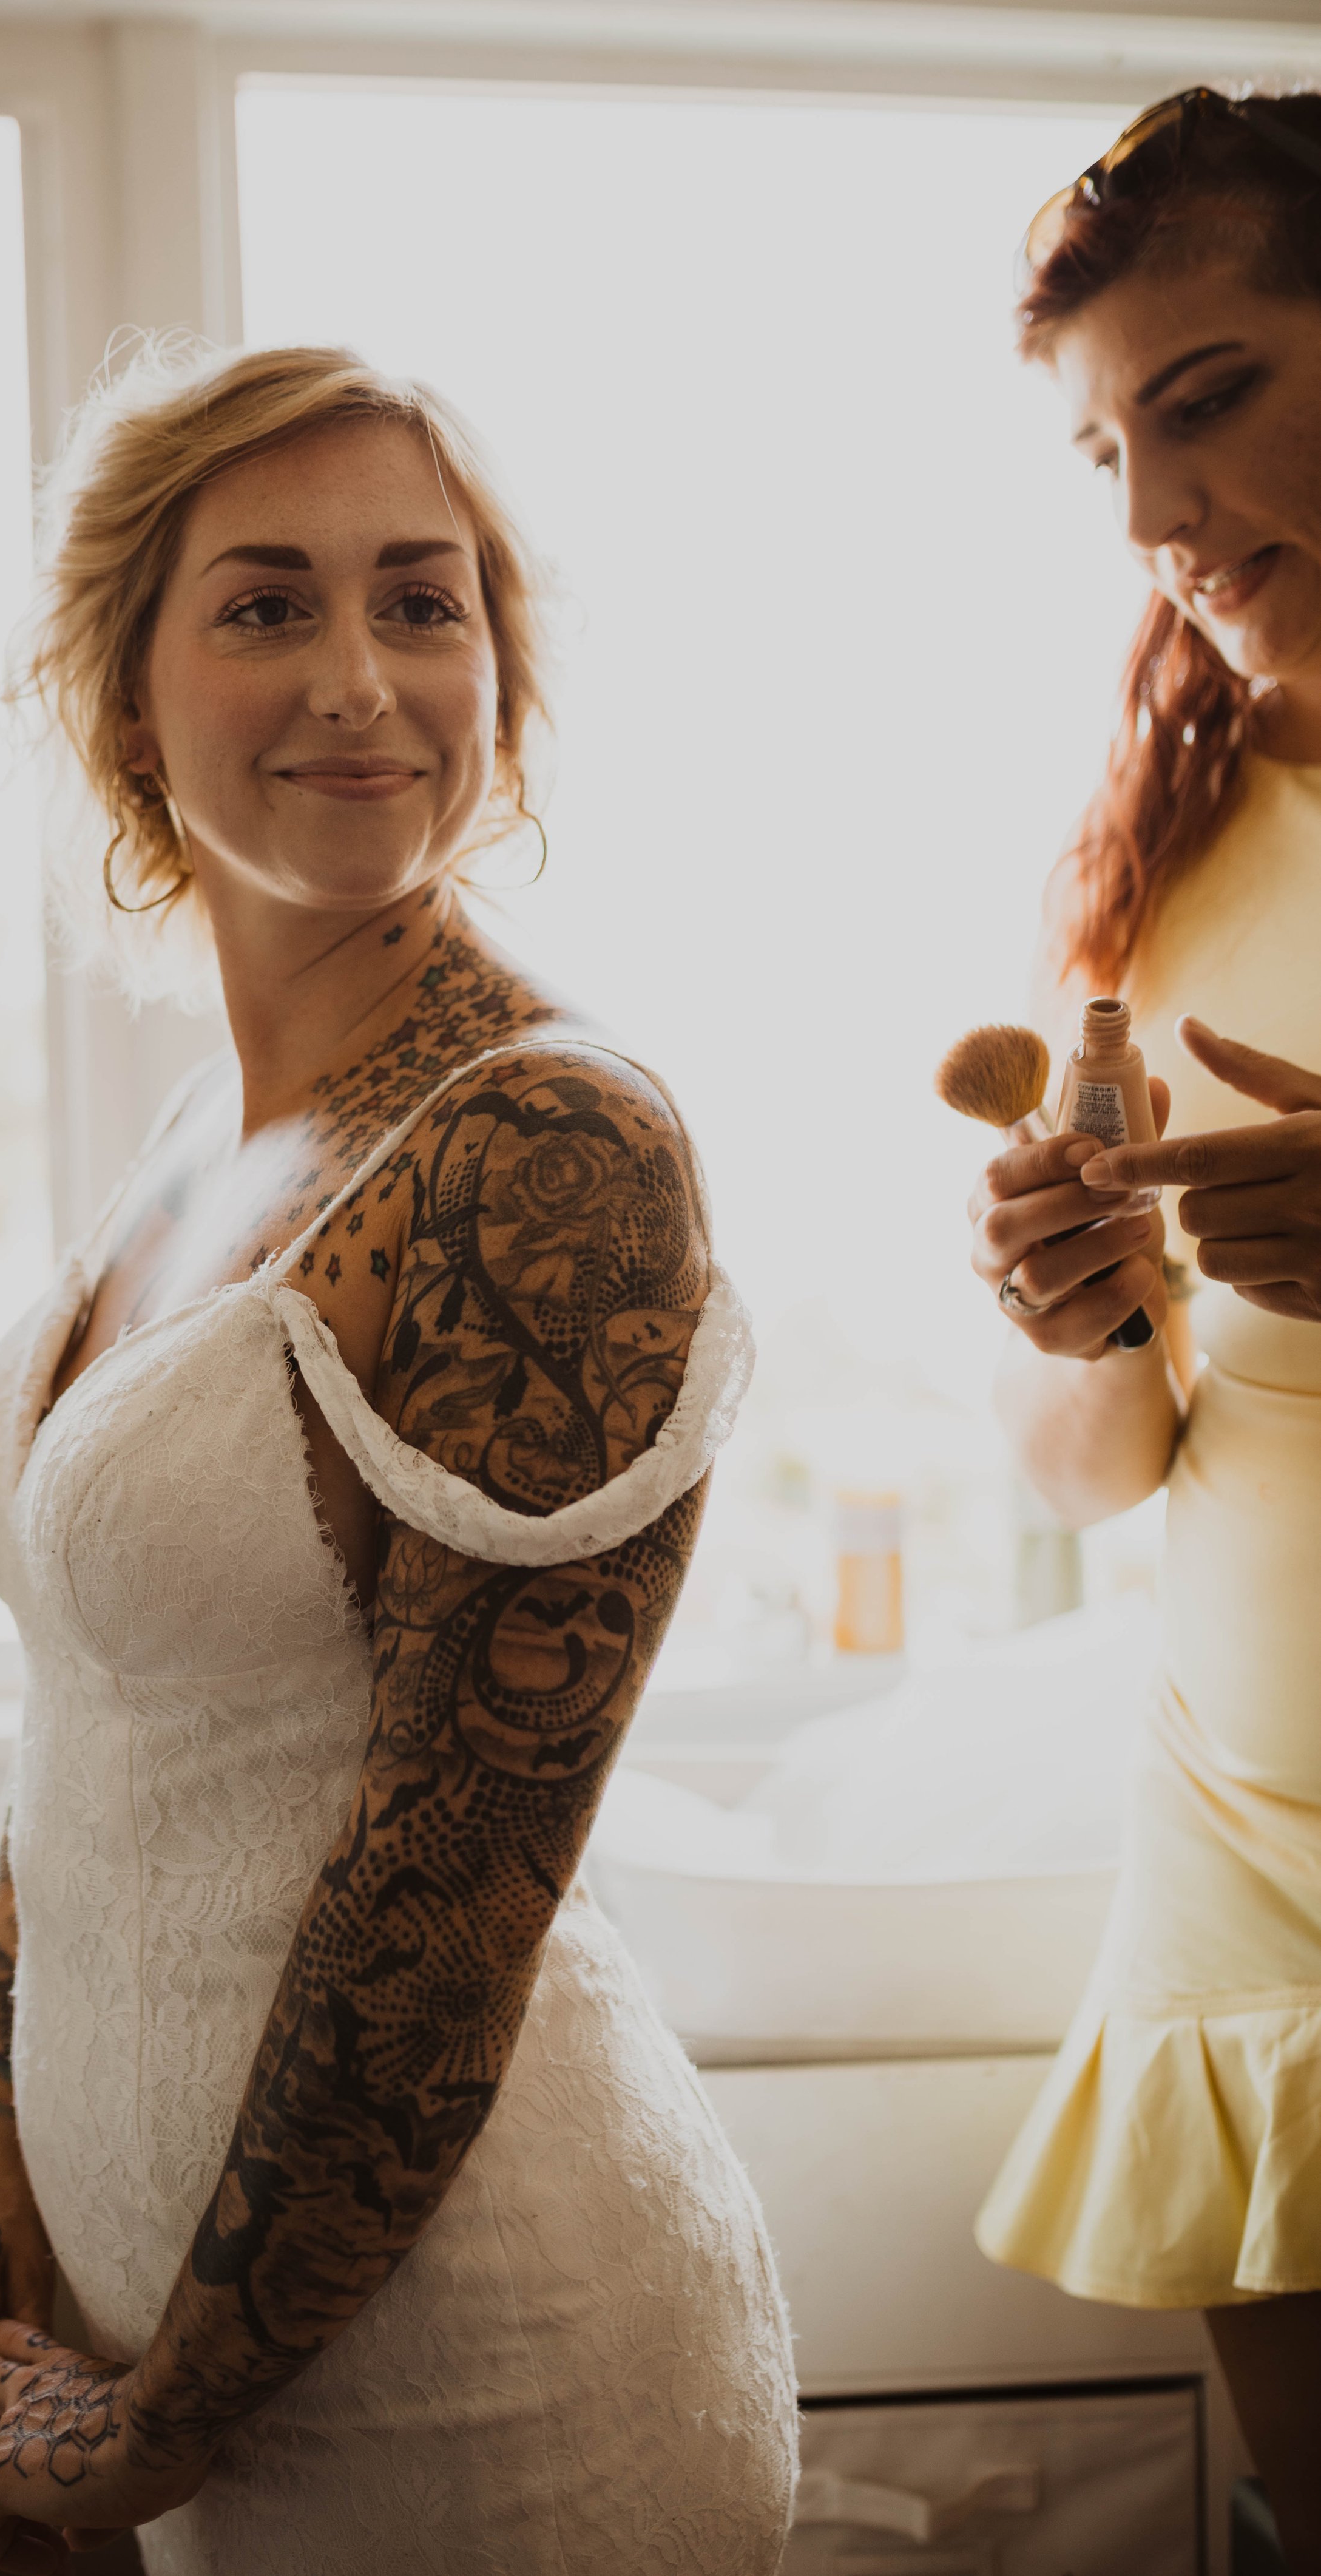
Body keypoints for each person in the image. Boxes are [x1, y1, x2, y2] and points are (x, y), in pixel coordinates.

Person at [0, 342, 797, 2574]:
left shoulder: (545, 1142)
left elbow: (448, 1895)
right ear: (125, 694)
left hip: (485, 2386)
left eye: (420, 601)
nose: (361, 678)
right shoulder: (205, 1130)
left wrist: (163, 2414)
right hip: (175, 2365)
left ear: (500, 671)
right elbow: (96, 1707)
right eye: (267, 605)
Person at [965, 89, 1321, 2571]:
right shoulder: (1148, 851)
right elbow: (1092, 1466)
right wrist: (1070, 1310)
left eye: (1205, 400)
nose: (1149, 518)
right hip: (1246, 1867)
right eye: (1104, 450)